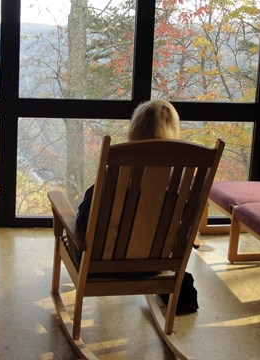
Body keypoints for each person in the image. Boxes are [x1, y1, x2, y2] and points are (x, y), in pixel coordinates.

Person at [75, 98, 199, 314]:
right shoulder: (183, 181)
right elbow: (187, 229)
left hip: (101, 267)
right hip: (157, 267)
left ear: (135, 129)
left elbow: (84, 224)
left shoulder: (115, 175)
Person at [76, 98, 180, 229]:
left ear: (135, 129)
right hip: (162, 249)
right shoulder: (179, 179)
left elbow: (83, 221)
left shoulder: (115, 175)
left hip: (109, 249)